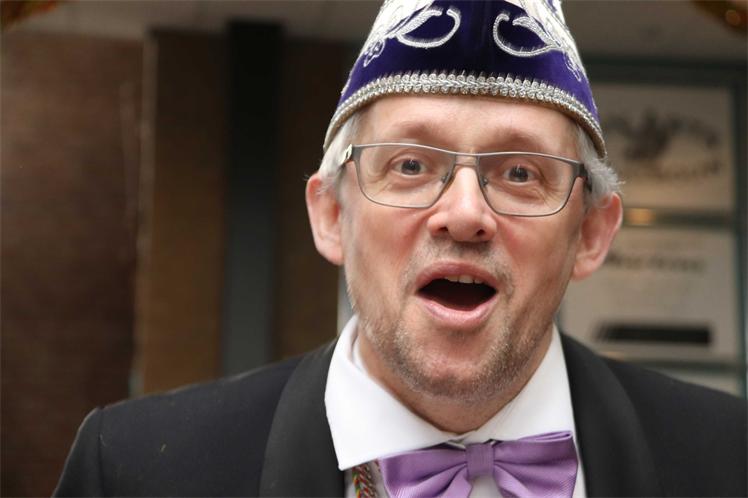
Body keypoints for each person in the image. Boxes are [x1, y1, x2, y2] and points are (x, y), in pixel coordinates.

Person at [54, 1, 746, 497]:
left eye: (520, 173)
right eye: (410, 165)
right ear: (332, 215)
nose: (465, 215)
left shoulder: (729, 461)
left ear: (590, 233)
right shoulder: (136, 471)